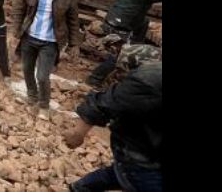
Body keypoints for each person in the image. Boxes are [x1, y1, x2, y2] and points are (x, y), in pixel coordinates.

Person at [65, 45, 162, 192]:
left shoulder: (148, 79)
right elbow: (101, 105)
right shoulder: (147, 80)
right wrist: (77, 134)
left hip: (144, 151)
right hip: (143, 158)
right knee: (132, 172)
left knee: (120, 173)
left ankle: (80, 187)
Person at [12, 0, 82, 120]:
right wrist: (15, 33)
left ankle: (44, 105)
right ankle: (32, 97)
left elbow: (73, 23)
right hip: (29, 39)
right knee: (27, 69)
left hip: (50, 43)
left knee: (43, 76)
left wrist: (74, 44)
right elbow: (18, 12)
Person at [86, 0, 163, 88]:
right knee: (117, 57)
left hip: (112, 21)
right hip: (118, 28)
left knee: (144, 20)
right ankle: (94, 79)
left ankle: (136, 46)